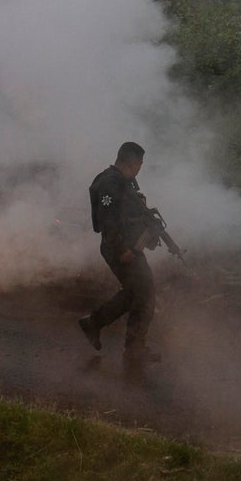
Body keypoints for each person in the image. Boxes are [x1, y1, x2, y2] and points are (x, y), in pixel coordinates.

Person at [79, 141, 161, 364]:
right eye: (140, 163)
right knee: (145, 293)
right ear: (133, 163)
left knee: (137, 292)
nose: (141, 167)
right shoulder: (110, 182)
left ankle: (95, 323)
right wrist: (122, 249)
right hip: (119, 247)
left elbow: (131, 213)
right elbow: (109, 220)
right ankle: (133, 348)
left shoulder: (124, 182)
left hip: (129, 246)